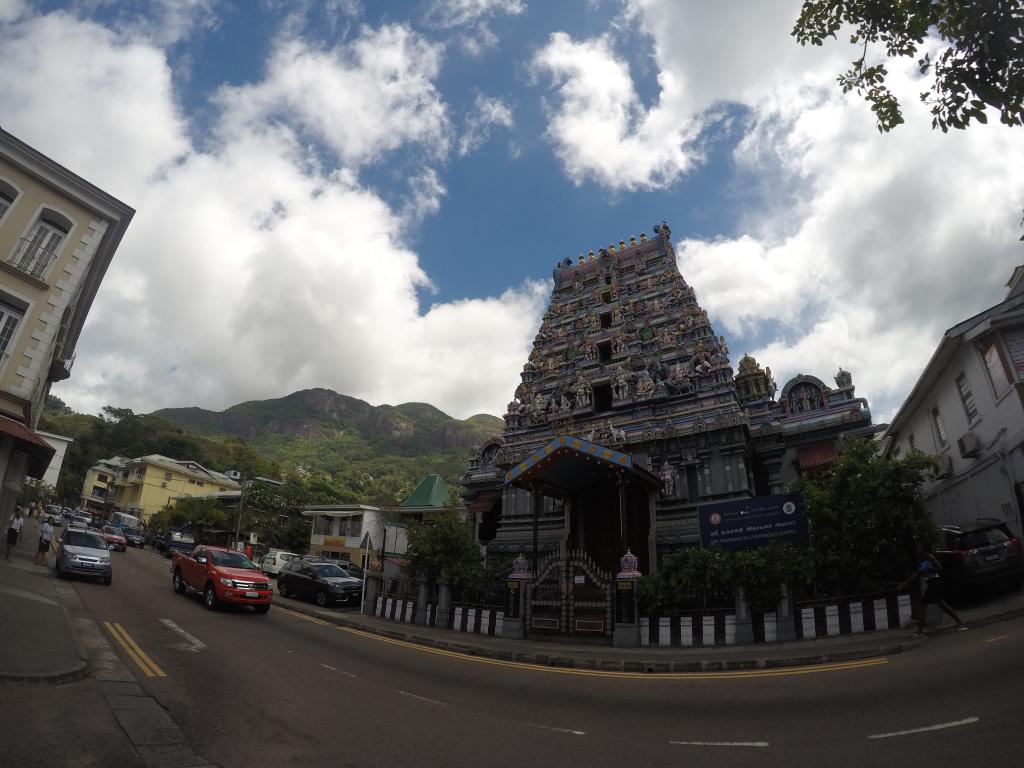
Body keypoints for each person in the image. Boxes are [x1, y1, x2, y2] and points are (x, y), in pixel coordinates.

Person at [899, 549, 966, 636]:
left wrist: (928, 571)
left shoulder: (929, 556)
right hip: (931, 584)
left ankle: (919, 630)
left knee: (923, 604)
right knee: (941, 604)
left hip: (935, 582)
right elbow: (917, 573)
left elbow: (939, 567)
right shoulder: (921, 560)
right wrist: (904, 583)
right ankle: (960, 622)